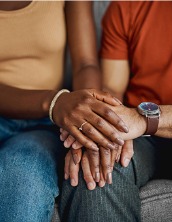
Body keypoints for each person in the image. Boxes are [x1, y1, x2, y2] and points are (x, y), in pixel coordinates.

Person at [60, 1, 172, 221]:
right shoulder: (128, 5)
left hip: (170, 128)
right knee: (97, 172)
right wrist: (104, 129)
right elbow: (112, 90)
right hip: (141, 138)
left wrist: (140, 119)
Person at [0, 1, 129, 221]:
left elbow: (85, 63)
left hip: (43, 123)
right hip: (52, 107)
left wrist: (87, 122)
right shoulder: (55, 103)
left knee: (21, 172)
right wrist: (54, 101)